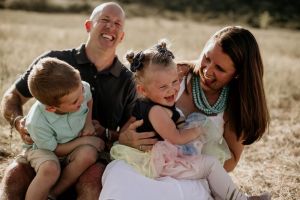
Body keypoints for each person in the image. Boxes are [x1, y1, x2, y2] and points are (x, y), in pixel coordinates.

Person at [0, 2, 156, 200]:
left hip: (90, 153)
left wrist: (109, 134)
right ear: (88, 26)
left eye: (118, 24)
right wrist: (17, 122)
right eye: (105, 20)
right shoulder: (55, 61)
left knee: (92, 183)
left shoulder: (128, 80)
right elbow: (12, 96)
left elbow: (127, 131)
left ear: (122, 36)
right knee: (14, 176)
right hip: (45, 147)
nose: (111, 27)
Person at [100, 26, 270, 200]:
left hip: (193, 176)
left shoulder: (237, 105)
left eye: (220, 68)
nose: (208, 70)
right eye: (207, 58)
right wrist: (125, 138)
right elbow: (135, 121)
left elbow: (232, 160)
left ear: (238, 74)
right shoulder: (174, 75)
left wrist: (194, 154)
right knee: (121, 177)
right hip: (149, 163)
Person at [24, 57, 104, 200]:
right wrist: (86, 140)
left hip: (72, 144)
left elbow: (89, 100)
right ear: (51, 108)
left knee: (89, 154)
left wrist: (88, 123)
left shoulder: (80, 88)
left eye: (81, 92)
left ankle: (52, 194)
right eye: (75, 102)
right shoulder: (36, 122)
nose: (81, 98)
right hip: (45, 149)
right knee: (50, 169)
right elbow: (54, 149)